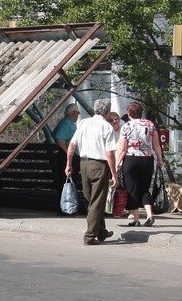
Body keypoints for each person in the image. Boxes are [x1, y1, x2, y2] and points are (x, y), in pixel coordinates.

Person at [65, 99, 119, 246]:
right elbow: (109, 154)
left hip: (84, 164)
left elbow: (71, 145)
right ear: (107, 112)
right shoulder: (106, 127)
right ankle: (89, 236)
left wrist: (69, 164)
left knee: (92, 200)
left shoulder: (83, 123)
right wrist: (114, 174)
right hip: (99, 165)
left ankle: (101, 231)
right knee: (96, 201)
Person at [115, 101, 164, 227]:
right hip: (147, 160)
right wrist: (160, 160)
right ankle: (150, 215)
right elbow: (156, 144)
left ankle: (136, 219)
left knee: (132, 190)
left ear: (128, 113)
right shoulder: (150, 124)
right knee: (145, 188)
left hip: (131, 160)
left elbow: (122, 149)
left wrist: (116, 163)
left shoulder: (126, 126)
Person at [51, 103, 81, 211]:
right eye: (77, 113)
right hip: (67, 156)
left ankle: (67, 206)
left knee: (67, 182)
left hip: (66, 155)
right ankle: (67, 207)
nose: (77, 116)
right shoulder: (67, 123)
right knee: (68, 182)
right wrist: (68, 151)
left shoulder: (65, 123)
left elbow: (53, 134)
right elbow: (59, 138)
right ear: (73, 113)